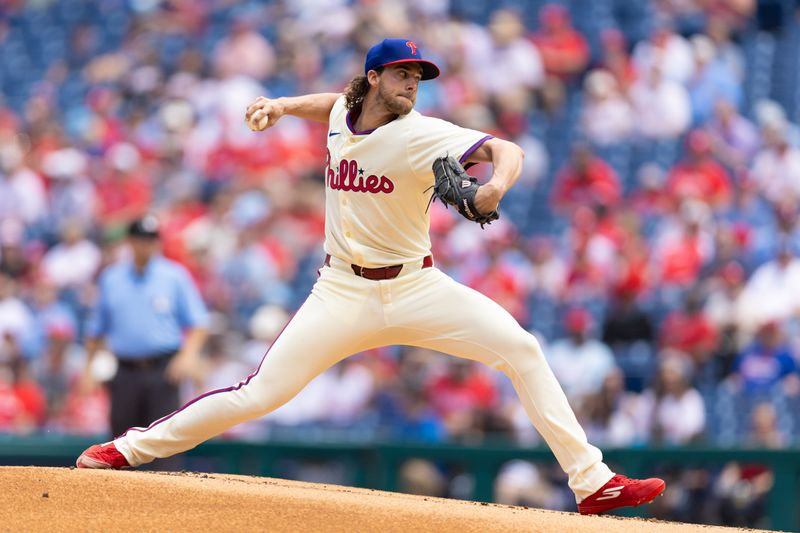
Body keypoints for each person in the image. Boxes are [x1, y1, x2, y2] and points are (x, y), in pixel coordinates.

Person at [76, 38, 664, 515]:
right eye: (403, 74)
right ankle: (127, 449)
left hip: (417, 286)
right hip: (342, 291)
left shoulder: (420, 132)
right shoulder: (343, 111)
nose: (413, 84)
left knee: (522, 348)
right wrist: (282, 106)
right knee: (258, 393)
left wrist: (493, 187)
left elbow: (507, 149)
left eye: (419, 76)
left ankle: (592, 481)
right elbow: (333, 104)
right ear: (375, 79)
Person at [82, 215, 209, 466]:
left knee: (165, 444)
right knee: (120, 442)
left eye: (150, 240)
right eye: (140, 240)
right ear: (129, 242)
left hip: (163, 370)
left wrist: (187, 355)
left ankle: (167, 503)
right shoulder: (111, 278)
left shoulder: (174, 276)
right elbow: (96, 330)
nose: (145, 245)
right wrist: (88, 369)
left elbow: (199, 323)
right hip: (124, 370)